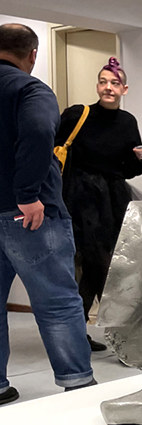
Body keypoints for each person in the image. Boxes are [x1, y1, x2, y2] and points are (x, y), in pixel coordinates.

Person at [0, 23, 95, 404]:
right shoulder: (30, 89)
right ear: (32, 55)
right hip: (29, 216)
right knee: (57, 301)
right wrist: (27, 194)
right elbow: (40, 131)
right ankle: (77, 384)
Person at [56, 57, 142, 351]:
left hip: (112, 199)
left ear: (124, 89)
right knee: (93, 264)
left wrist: (141, 159)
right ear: (97, 86)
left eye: (114, 83)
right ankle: (119, 334)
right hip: (79, 198)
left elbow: (127, 169)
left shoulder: (127, 122)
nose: (108, 87)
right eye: (103, 82)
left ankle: (83, 333)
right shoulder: (78, 114)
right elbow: (53, 151)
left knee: (100, 266)